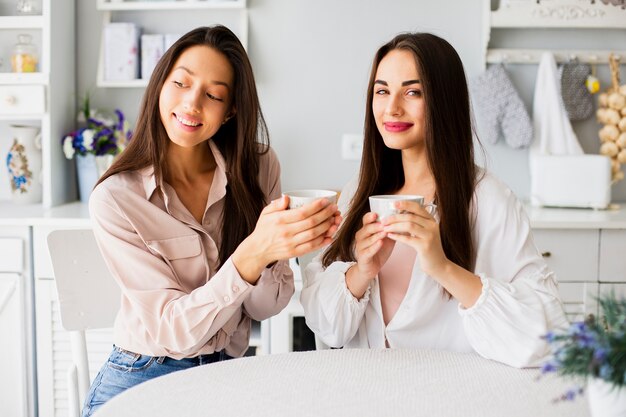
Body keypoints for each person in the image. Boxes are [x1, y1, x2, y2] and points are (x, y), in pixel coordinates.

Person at [85, 25, 340, 416]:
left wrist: (277, 250)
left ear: (231, 109)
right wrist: (251, 254)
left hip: (227, 374)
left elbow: (264, 307)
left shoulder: (258, 167)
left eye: (213, 95)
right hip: (143, 376)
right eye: (181, 84)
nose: (191, 104)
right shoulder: (116, 199)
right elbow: (173, 333)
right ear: (159, 86)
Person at [300, 32, 568, 368]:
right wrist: (361, 271)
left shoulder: (489, 200)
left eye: (412, 92)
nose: (392, 107)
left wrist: (442, 267)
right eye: (382, 90)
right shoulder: (359, 192)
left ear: (443, 100)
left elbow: (545, 335)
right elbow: (326, 325)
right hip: (367, 391)